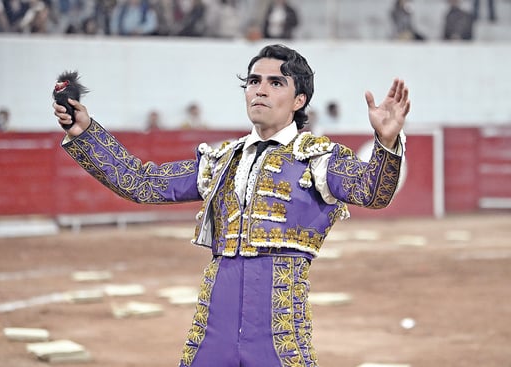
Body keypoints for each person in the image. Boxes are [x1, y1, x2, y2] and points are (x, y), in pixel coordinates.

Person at [52, 44, 410, 367]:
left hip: (277, 325)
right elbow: (144, 183)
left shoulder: (318, 159)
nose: (260, 89)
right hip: (215, 324)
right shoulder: (221, 160)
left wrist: (386, 141)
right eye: (253, 81)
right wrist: (86, 132)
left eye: (275, 82)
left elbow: (372, 192)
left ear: (299, 99)